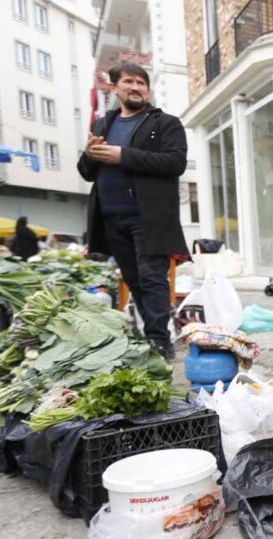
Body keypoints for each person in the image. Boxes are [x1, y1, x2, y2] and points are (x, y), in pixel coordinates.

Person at [76, 63, 187, 361]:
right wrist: (89, 154)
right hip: (111, 217)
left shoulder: (165, 123)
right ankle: (149, 332)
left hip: (148, 215)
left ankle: (159, 340)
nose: (135, 87)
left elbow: (175, 163)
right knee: (133, 279)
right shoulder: (103, 125)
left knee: (152, 277)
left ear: (148, 90)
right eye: (129, 81)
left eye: (141, 82)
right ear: (115, 87)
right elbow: (86, 173)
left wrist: (123, 155)